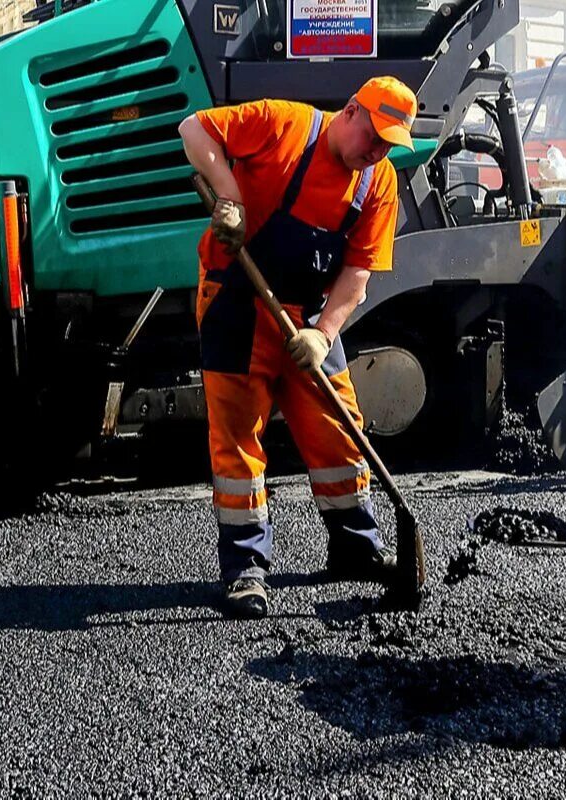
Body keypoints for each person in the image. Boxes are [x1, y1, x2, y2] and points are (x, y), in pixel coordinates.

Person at [178, 77, 416, 618]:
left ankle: (355, 547)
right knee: (239, 441)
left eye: (387, 144)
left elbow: (358, 273)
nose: (375, 151)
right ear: (350, 110)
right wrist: (229, 196)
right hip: (237, 300)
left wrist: (323, 332)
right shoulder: (283, 123)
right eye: (373, 137)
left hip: (307, 318)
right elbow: (193, 129)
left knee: (339, 430)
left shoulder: (377, 181)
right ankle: (245, 569)